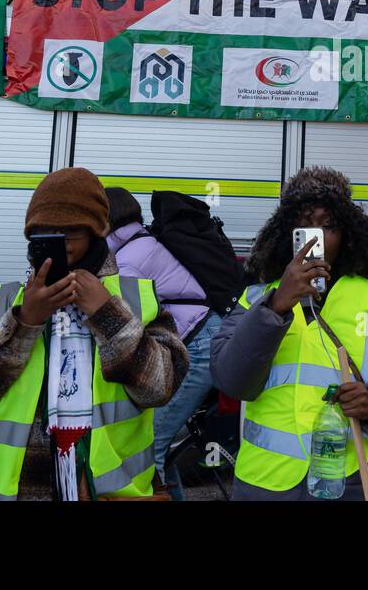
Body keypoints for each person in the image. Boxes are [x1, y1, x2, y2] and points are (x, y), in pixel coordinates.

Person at [0, 167, 188, 501]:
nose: (61, 247)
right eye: (44, 235)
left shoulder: (136, 299)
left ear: (95, 233)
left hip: (112, 493)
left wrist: (107, 316)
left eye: (70, 232)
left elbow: (159, 390)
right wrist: (23, 324)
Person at [210, 166, 368, 501]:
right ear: (286, 233)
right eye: (305, 224)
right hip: (265, 486)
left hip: (354, 484)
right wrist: (275, 308)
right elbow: (231, 381)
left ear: (348, 235)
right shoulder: (256, 301)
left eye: (329, 226)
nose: (316, 237)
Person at [104, 186, 218, 500]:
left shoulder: (128, 260)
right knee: (160, 448)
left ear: (106, 218)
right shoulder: (137, 243)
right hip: (199, 338)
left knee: (150, 444)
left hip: (198, 345)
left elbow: (127, 323)